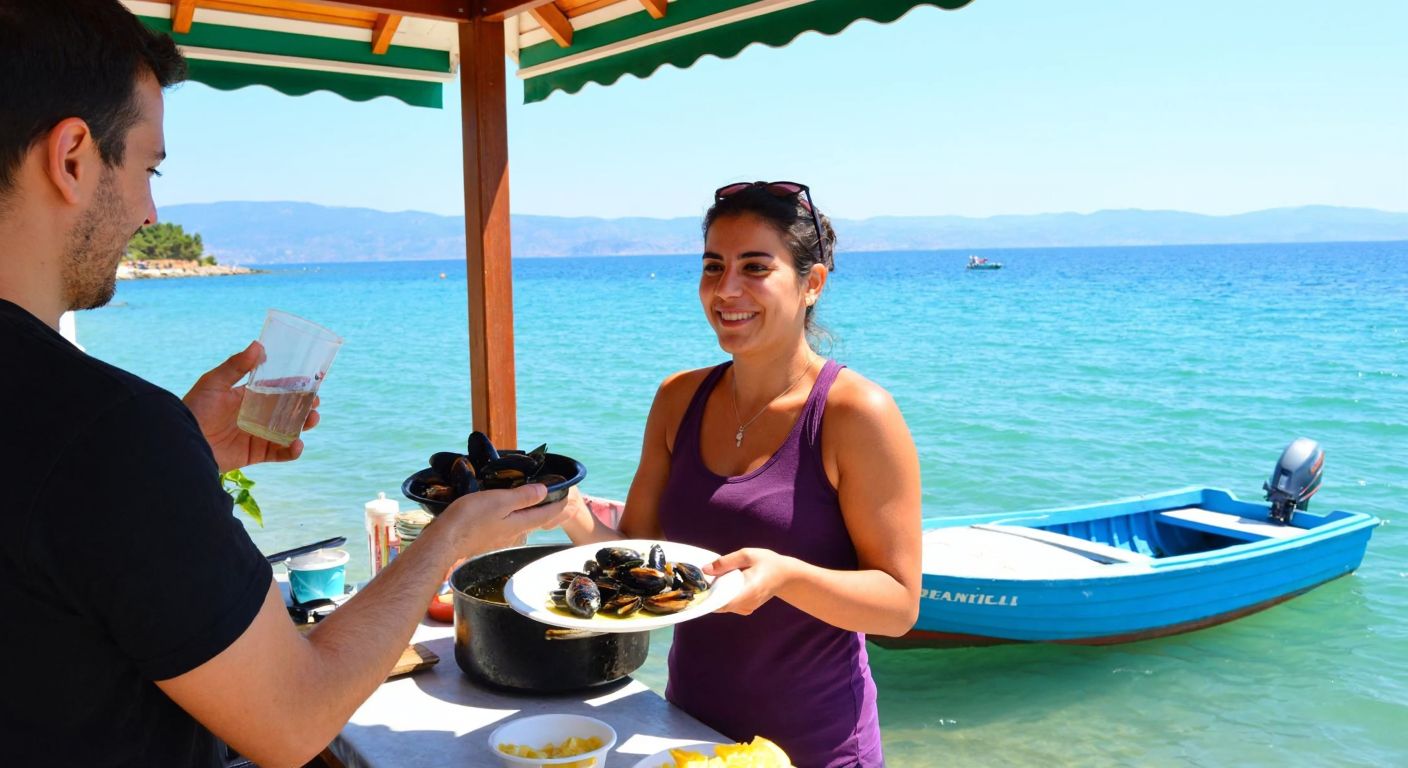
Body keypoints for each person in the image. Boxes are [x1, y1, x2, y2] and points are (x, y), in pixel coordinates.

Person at [0, 3, 569, 766]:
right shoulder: (107, 431)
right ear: (72, 157)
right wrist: (450, 538)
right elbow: (294, 721)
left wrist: (186, 455)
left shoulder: (106, 440)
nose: (148, 210)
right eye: (147, 168)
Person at [559, 181, 922, 767]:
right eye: (713, 266)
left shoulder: (856, 413)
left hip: (819, 748)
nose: (726, 290)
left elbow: (900, 605)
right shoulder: (678, 398)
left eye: (756, 267)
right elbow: (637, 557)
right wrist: (570, 515)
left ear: (812, 284)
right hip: (684, 735)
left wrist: (784, 577)